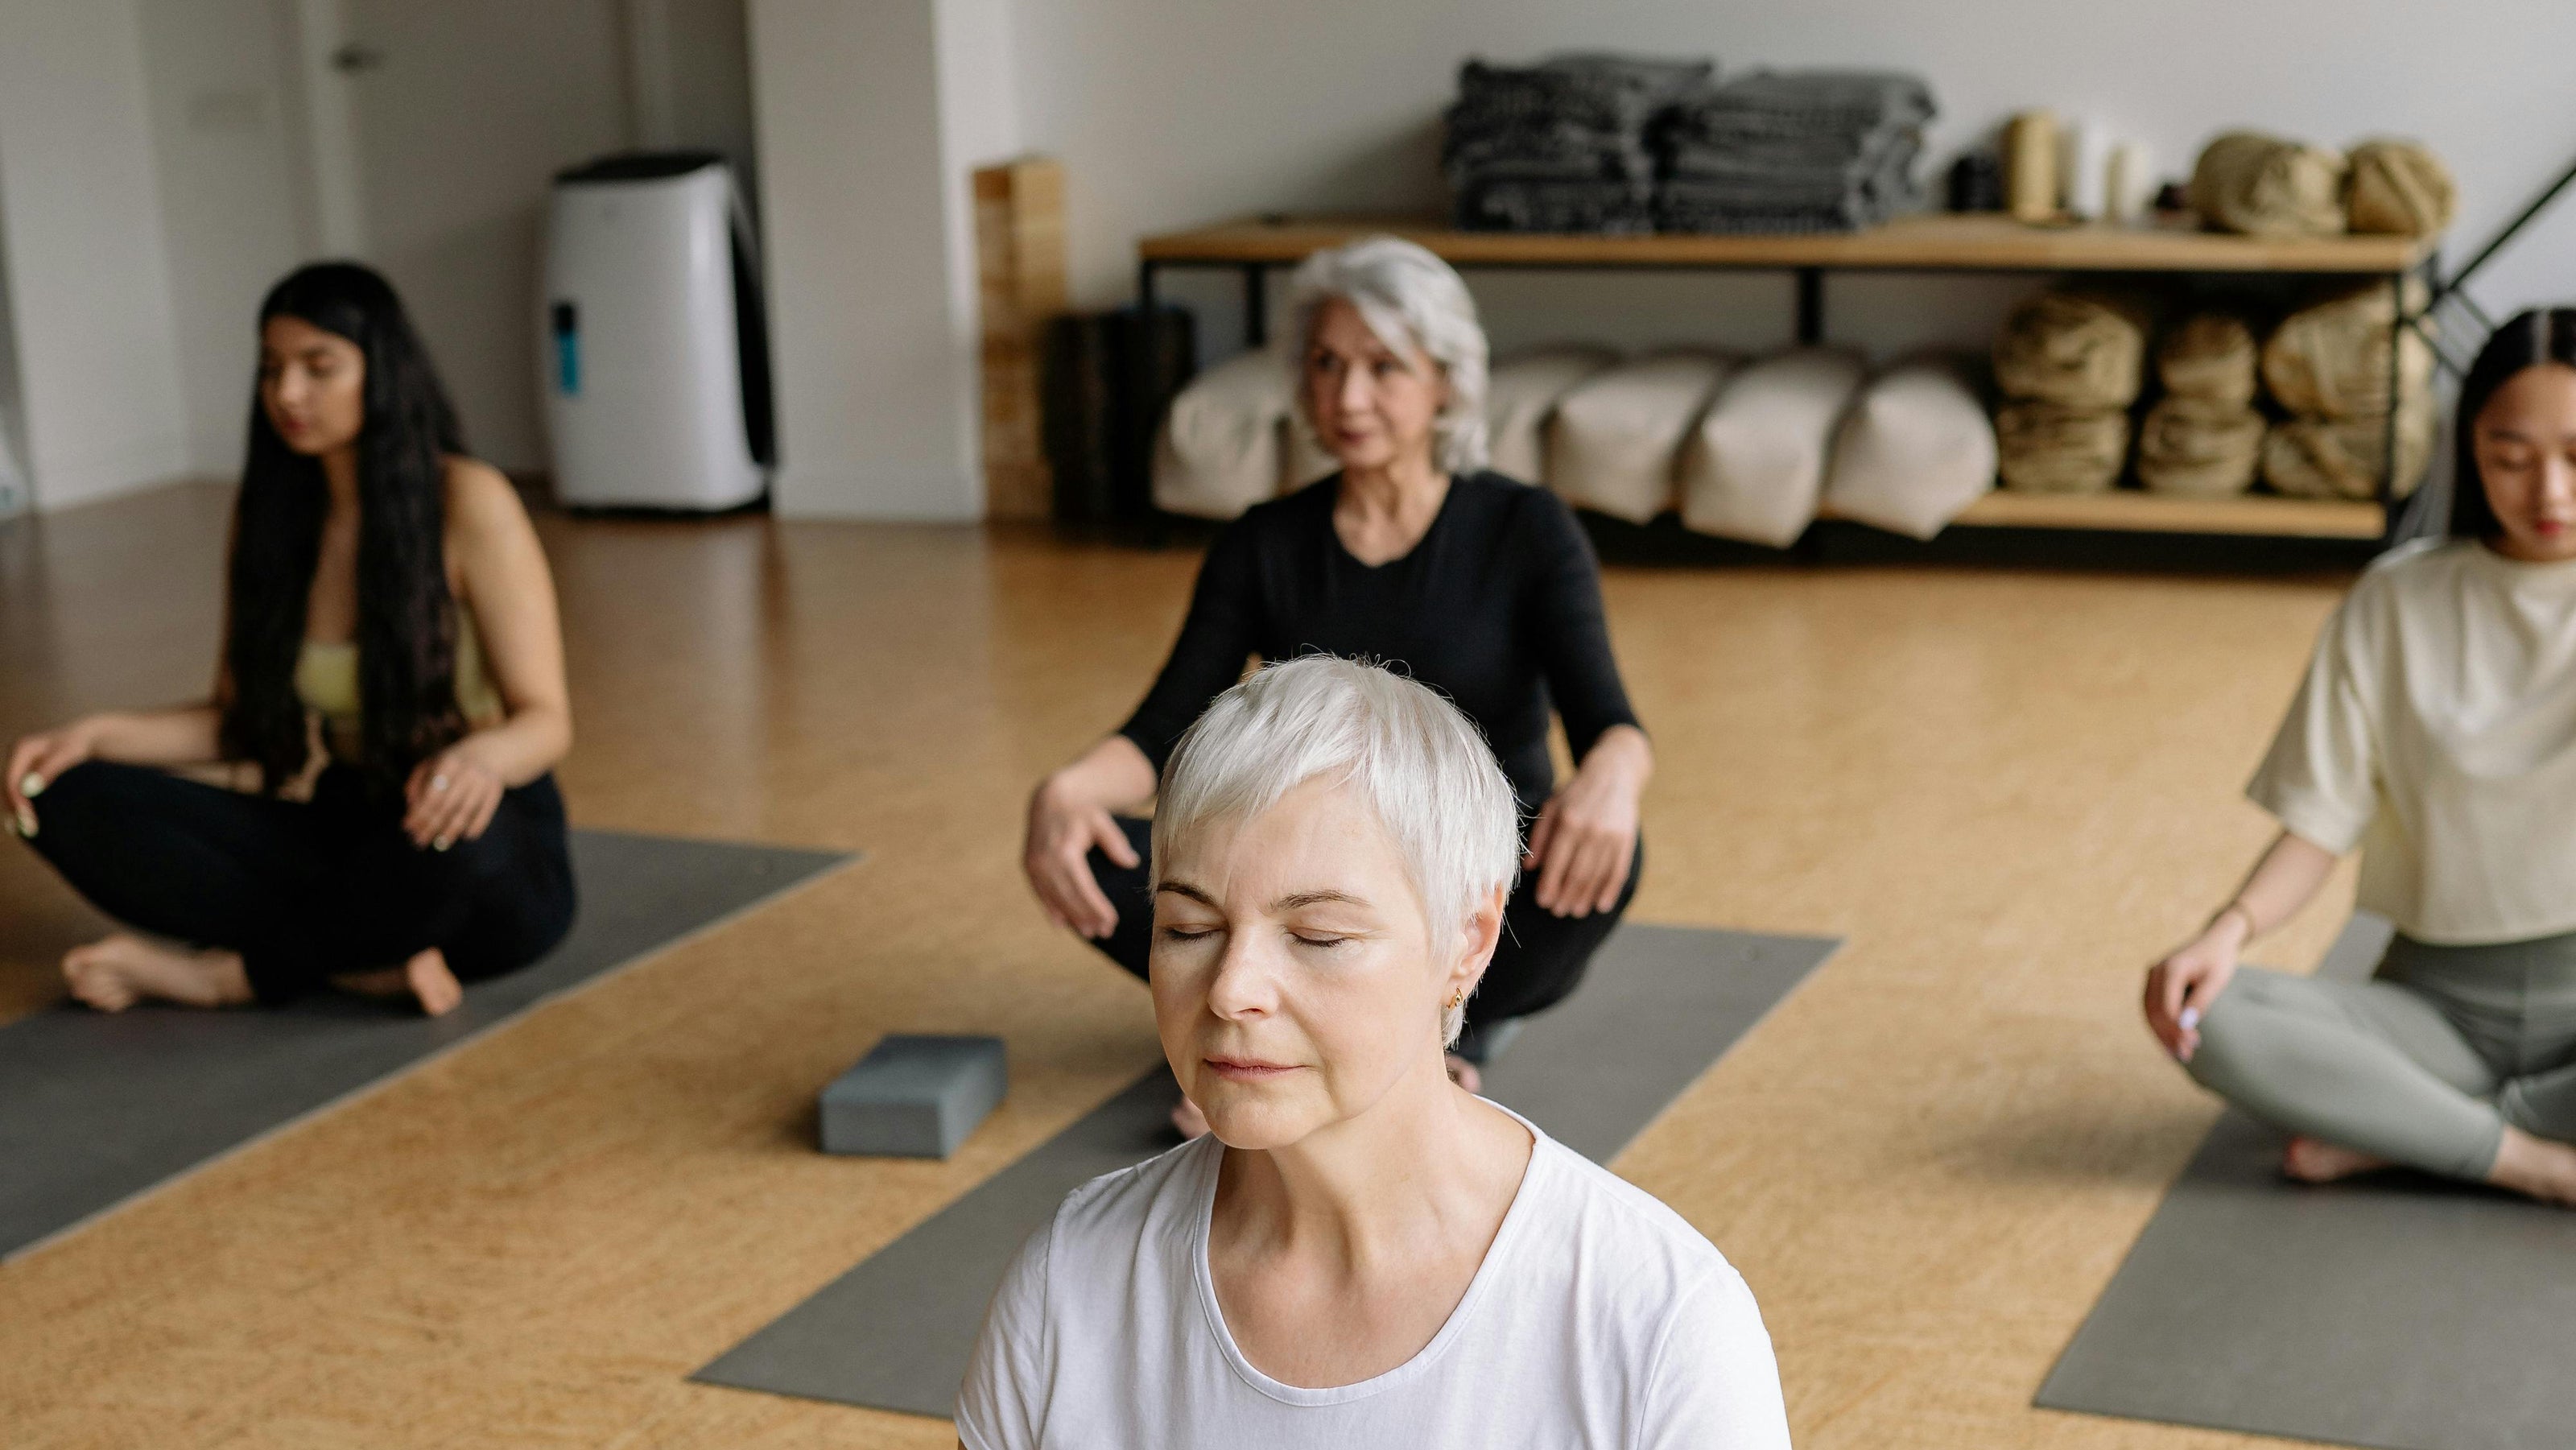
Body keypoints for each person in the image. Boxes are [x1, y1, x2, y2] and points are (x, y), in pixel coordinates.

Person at [963, 656, 1788, 1448]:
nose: (1229, 989)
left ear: (1467, 942)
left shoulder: (1657, 1325)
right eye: (1189, 928)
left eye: (1317, 935)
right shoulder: (1067, 1283)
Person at [1023, 237, 1653, 1126]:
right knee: (1092, 848)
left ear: (1444, 381)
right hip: (1305, 874)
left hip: (1474, 872)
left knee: (1610, 855)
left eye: (1382, 367)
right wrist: (1069, 788)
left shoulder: (1523, 528)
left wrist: (1613, 781)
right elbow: (1164, 726)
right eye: (1324, 364)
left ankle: (1434, 1032)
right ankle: (1298, 1030)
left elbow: (1608, 722)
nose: (1346, 396)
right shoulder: (1262, 541)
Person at [5, 262, 576, 1018]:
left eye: (319, 367)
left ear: (381, 370)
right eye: (272, 369)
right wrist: (95, 735)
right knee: (52, 793)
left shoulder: (469, 501)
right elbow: (238, 721)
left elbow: (547, 719)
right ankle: (361, 961)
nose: (288, 394)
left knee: (454, 843)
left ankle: (231, 977)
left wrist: (478, 760)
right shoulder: (268, 515)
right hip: (347, 822)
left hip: (477, 839)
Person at [2144, 309, 2576, 1207]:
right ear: (2468, 451)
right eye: (2509, 456)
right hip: (2437, 1008)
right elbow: (2319, 816)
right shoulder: (2398, 600)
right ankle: (2528, 1157)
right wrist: (2223, 932)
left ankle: (2410, 1133)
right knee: (2206, 1014)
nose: (2548, 493)